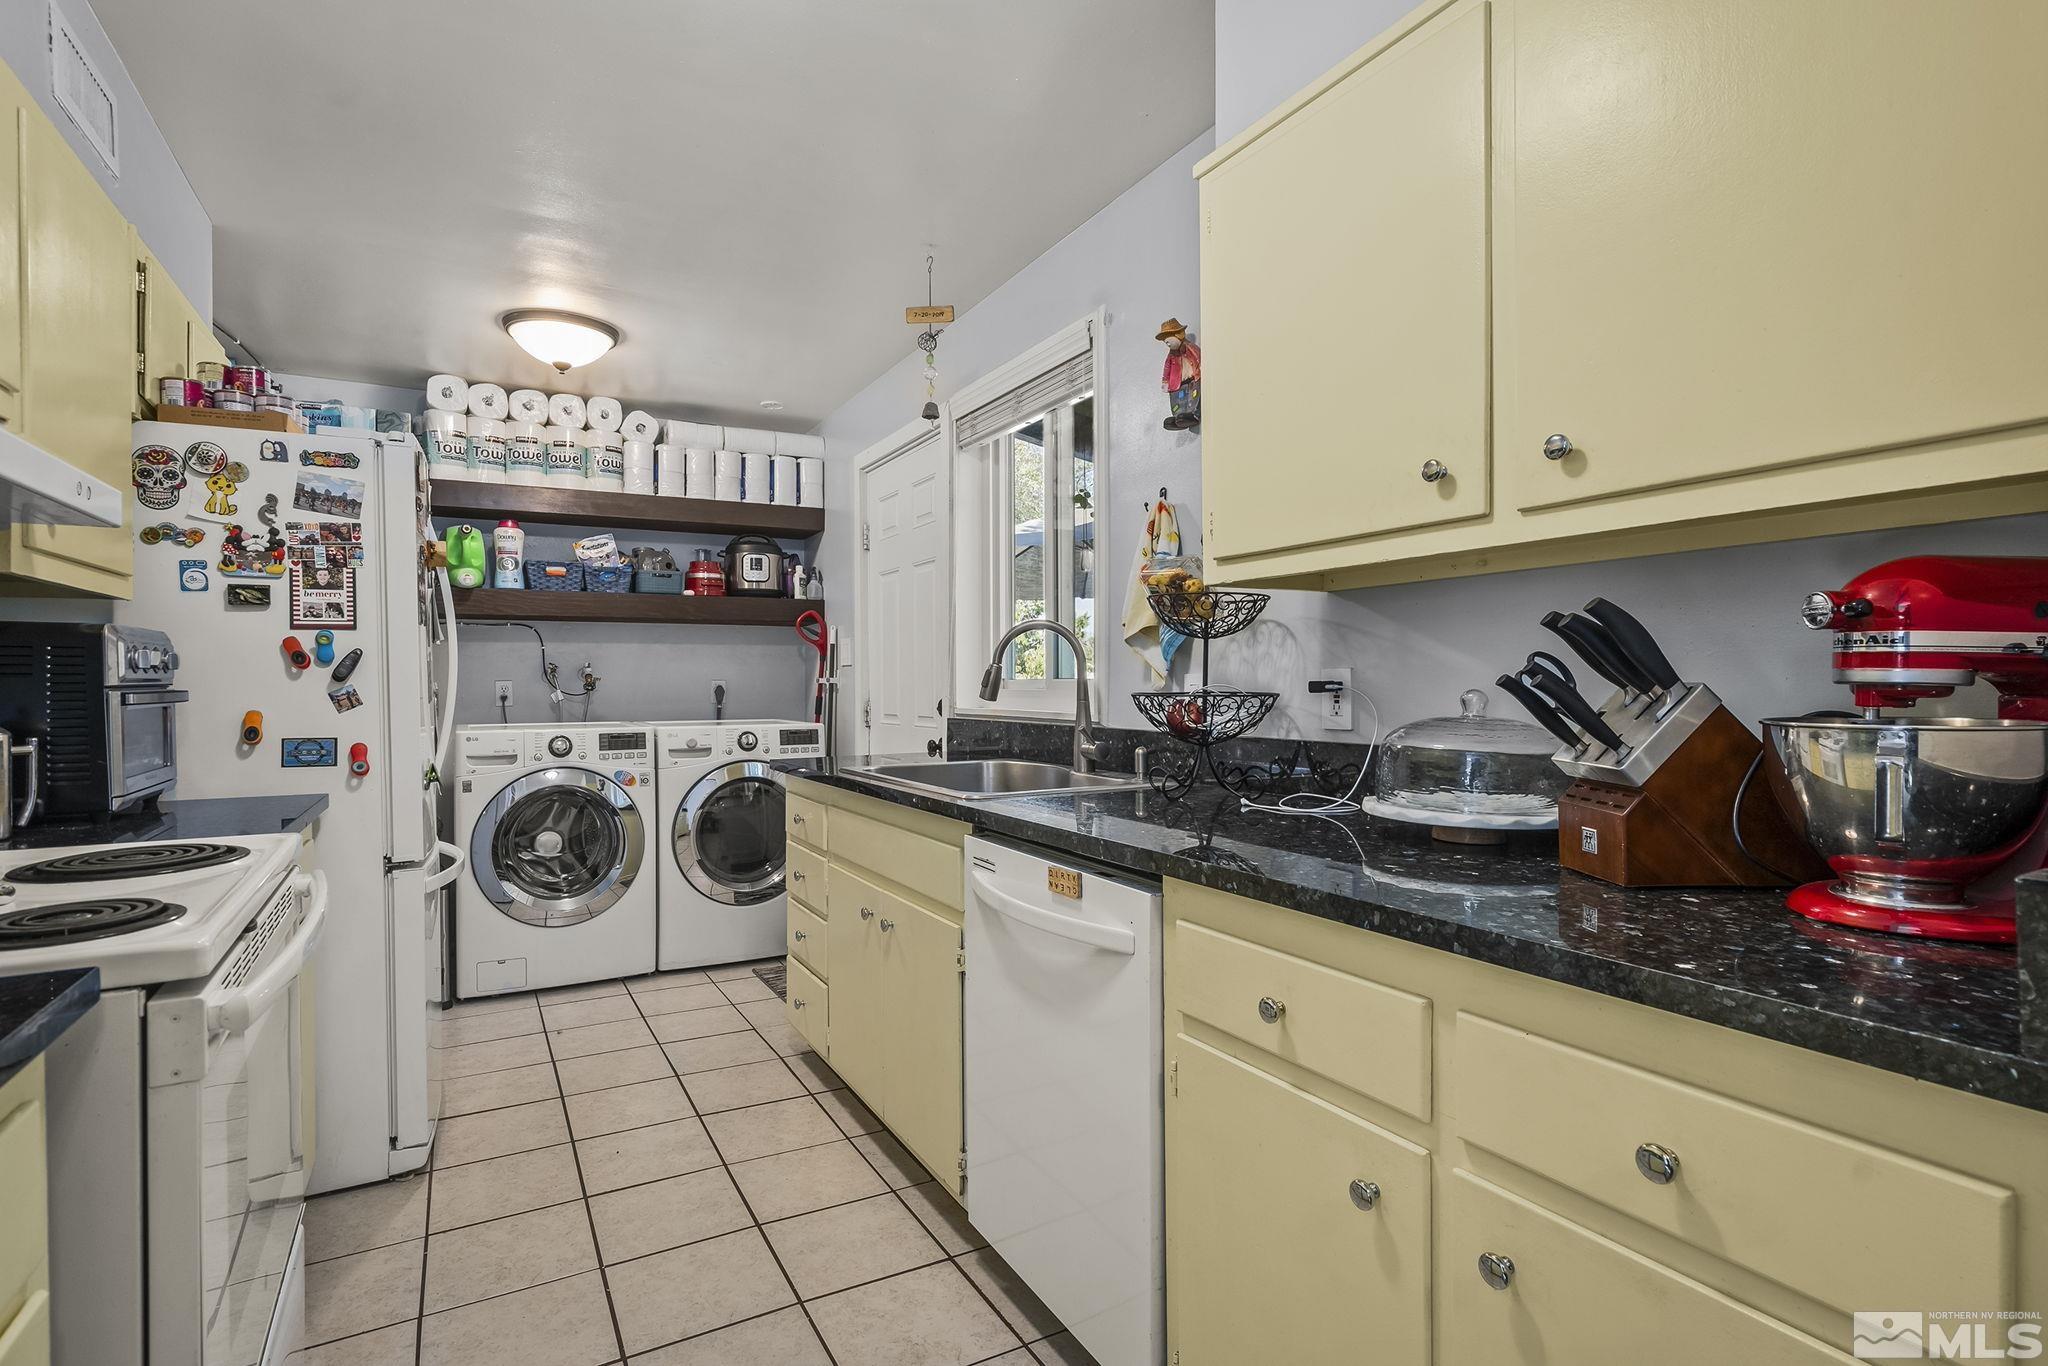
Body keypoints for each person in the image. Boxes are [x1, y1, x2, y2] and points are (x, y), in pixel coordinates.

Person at [1157, 318, 1201, 430]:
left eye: (1169, 338)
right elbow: (1167, 368)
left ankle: (1193, 415)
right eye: (1165, 341)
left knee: (1192, 397)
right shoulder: (1171, 356)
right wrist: (1165, 382)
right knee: (1178, 401)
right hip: (1177, 383)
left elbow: (1198, 357)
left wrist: (1201, 369)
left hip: (1192, 379)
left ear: (1179, 335)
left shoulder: (1190, 348)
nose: (1167, 343)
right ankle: (1177, 418)